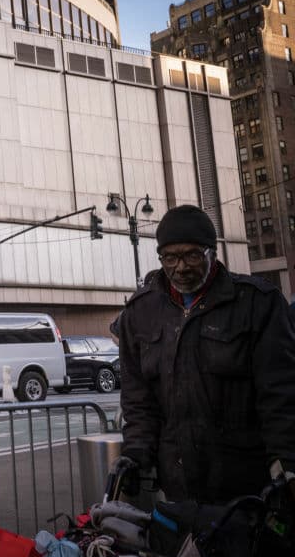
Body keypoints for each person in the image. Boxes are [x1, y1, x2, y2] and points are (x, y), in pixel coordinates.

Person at [117, 204, 295, 504]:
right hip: (177, 483)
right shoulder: (140, 311)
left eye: (192, 255)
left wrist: (287, 463)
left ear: (212, 253)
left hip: (247, 484)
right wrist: (136, 454)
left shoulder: (257, 303)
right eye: (169, 258)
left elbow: (280, 394)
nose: (180, 267)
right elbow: (138, 400)